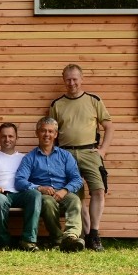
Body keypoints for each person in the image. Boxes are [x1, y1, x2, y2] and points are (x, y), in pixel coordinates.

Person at [48, 64, 114, 251]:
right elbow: (51, 133)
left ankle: (95, 233)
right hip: (65, 154)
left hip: (90, 152)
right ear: (64, 80)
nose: (72, 83)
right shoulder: (56, 104)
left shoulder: (94, 100)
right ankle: (84, 236)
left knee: (98, 191)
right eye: (68, 79)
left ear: (82, 79)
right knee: (76, 196)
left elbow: (109, 127)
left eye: (75, 79)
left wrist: (103, 150)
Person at [15, 117, 85, 252]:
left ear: (56, 134)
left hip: (63, 192)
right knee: (47, 202)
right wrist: (39, 188)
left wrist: (64, 190)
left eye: (50, 131)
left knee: (75, 200)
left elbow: (77, 179)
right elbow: (20, 181)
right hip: (43, 194)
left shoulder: (65, 156)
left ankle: (71, 236)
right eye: (43, 131)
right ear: (37, 133)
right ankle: (58, 239)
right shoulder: (30, 158)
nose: (47, 134)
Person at [0, 123, 43, 251]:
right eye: (4, 136)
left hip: (21, 194)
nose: (7, 139)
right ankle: (3, 240)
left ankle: (28, 240)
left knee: (35, 195)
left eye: (11, 136)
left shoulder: (24, 158)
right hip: (1, 193)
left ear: (17, 138)